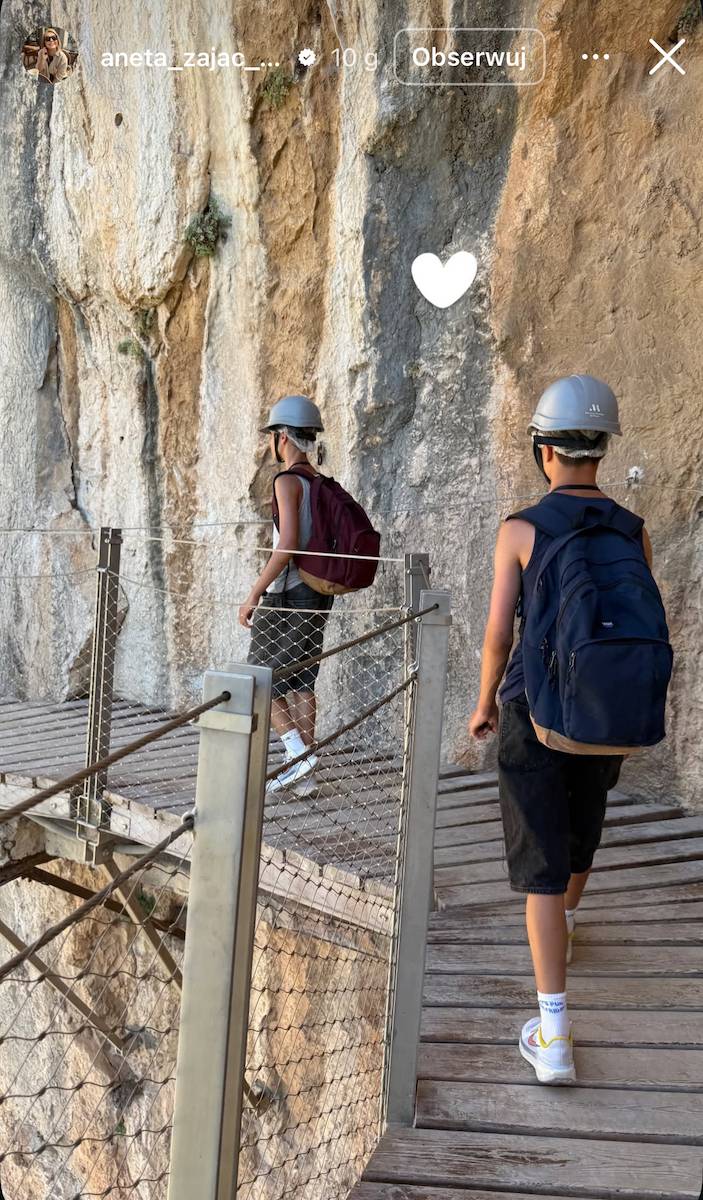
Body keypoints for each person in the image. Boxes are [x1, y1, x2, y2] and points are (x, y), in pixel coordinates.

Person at [469, 375, 653, 1085]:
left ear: (544, 451)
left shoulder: (520, 529)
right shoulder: (630, 528)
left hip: (533, 712)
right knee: (580, 834)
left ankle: (552, 1038)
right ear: (601, 451)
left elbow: (496, 633)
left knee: (539, 873)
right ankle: (566, 931)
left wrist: (484, 701)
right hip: (605, 713)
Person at [239, 395, 333, 792]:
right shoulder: (323, 483)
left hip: (287, 594)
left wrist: (254, 593)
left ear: (282, 437)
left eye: (273, 436)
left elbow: (288, 543)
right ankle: (304, 777)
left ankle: (298, 754)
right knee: (301, 678)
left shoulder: (287, 481)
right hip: (317, 593)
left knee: (260, 678)